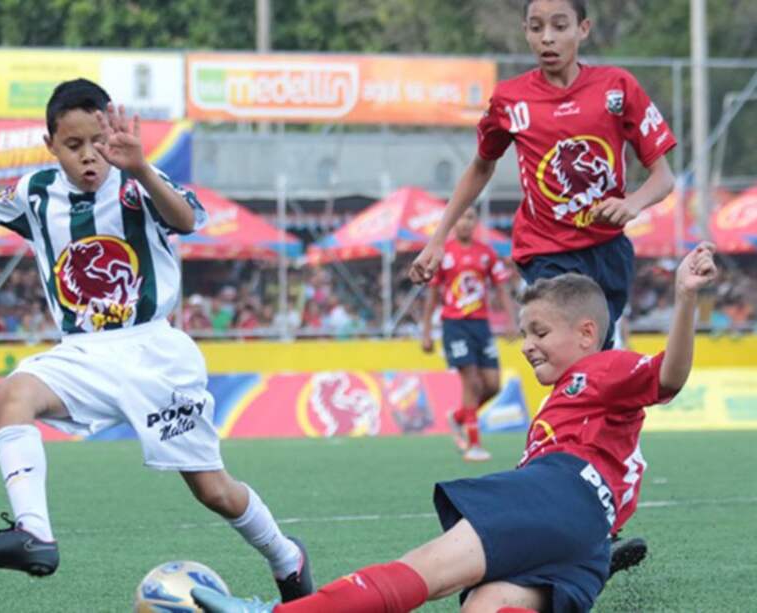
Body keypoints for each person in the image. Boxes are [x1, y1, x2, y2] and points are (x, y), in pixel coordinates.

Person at [0, 79, 314, 602]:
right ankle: (35, 534)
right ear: (50, 146)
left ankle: (286, 558)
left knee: (213, 491)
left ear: (111, 134)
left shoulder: (137, 183)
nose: (89, 156)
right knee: (11, 394)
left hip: (155, 351)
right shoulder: (36, 194)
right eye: (73, 146)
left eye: (96, 141)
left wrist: (138, 167)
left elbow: (186, 220)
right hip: (83, 352)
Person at [192, 243, 717, 613]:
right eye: (523, 333)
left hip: (562, 495)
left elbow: (669, 377)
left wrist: (686, 298)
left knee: (429, 570)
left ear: (587, 334)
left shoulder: (600, 367)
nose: (527, 343)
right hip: (586, 544)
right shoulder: (580, 403)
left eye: (539, 331)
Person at [409, 0, 676, 577]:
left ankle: (597, 515)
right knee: (568, 379)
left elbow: (664, 177)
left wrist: (630, 204)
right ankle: (539, 505)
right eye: (536, 27)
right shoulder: (511, 100)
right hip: (547, 256)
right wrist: (436, 239)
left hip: (609, 260)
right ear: (526, 33)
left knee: (610, 385)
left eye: (560, 26)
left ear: (583, 29)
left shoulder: (617, 89)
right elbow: (480, 166)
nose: (547, 38)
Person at [421, 208, 517, 462]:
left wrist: (511, 320)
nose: (465, 222)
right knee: (471, 382)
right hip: (454, 325)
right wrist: (426, 332)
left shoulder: (486, 254)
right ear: (453, 223)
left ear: (475, 223)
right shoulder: (444, 254)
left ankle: (459, 416)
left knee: (493, 385)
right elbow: (432, 295)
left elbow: (502, 288)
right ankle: (473, 445)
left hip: (481, 326)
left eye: (470, 218)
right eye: (460, 217)